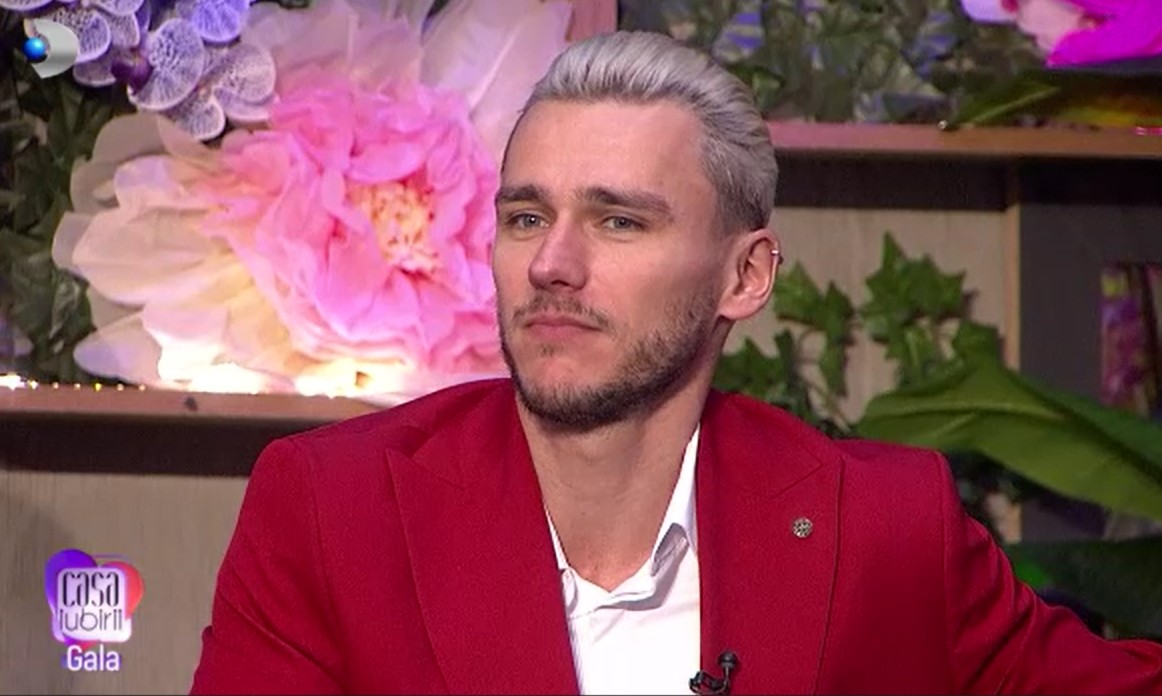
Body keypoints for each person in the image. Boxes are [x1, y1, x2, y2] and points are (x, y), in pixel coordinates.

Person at [189, 30, 1162, 695]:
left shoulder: (882, 527)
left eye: (618, 221)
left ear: (745, 275)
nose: (552, 264)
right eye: (525, 217)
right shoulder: (331, 510)